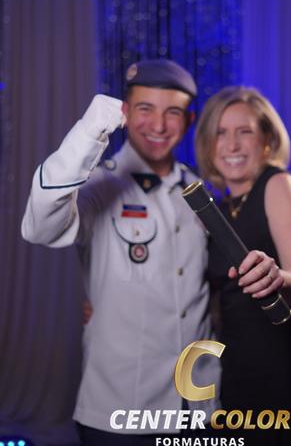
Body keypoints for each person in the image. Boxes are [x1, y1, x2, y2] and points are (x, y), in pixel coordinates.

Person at [21, 60, 222, 446]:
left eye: (173, 112)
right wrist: (90, 129)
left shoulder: (202, 191)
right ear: (125, 112)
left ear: (190, 119)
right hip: (120, 409)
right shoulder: (98, 185)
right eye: (145, 108)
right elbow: (40, 227)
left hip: (199, 404)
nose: (159, 125)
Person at [195, 85, 291, 446]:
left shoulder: (278, 185)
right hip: (242, 364)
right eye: (221, 133)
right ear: (208, 144)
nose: (232, 145)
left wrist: (277, 278)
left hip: (290, 365)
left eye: (245, 132)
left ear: (267, 140)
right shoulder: (221, 208)